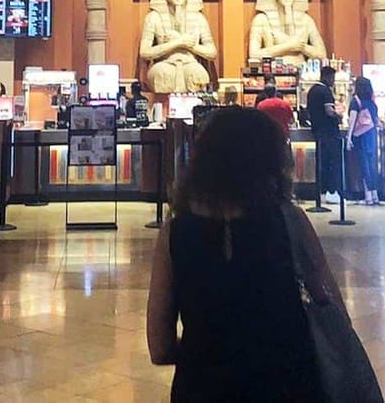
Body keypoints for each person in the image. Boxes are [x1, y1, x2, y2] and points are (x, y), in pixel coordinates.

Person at [147, 108, 346, 401]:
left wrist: (204, 354)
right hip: (287, 381)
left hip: (202, 385)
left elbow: (160, 347)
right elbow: (333, 310)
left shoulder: (174, 233)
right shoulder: (290, 222)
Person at [139, 0, 217, 94]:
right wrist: (177, 43)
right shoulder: (153, 17)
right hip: (165, 64)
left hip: (191, 63)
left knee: (198, 75)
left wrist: (190, 46)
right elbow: (144, 52)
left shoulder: (198, 18)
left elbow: (212, 53)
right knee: (161, 75)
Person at [247, 0, 327, 67]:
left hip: (302, 73)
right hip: (274, 73)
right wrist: (288, 46)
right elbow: (254, 54)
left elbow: (322, 55)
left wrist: (302, 47)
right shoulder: (261, 20)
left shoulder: (306, 20)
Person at [307, 66, 342, 199]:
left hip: (317, 130)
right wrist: (338, 115)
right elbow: (329, 112)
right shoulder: (325, 91)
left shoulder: (312, 90)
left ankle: (320, 192)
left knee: (321, 161)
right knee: (332, 161)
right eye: (332, 78)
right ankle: (331, 191)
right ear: (327, 77)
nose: (333, 81)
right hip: (329, 132)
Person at [346, 77, 380, 205]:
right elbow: (376, 121)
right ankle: (374, 194)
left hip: (360, 136)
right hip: (371, 135)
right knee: (371, 164)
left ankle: (368, 196)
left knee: (363, 163)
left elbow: (352, 121)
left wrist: (349, 138)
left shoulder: (356, 101)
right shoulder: (372, 103)